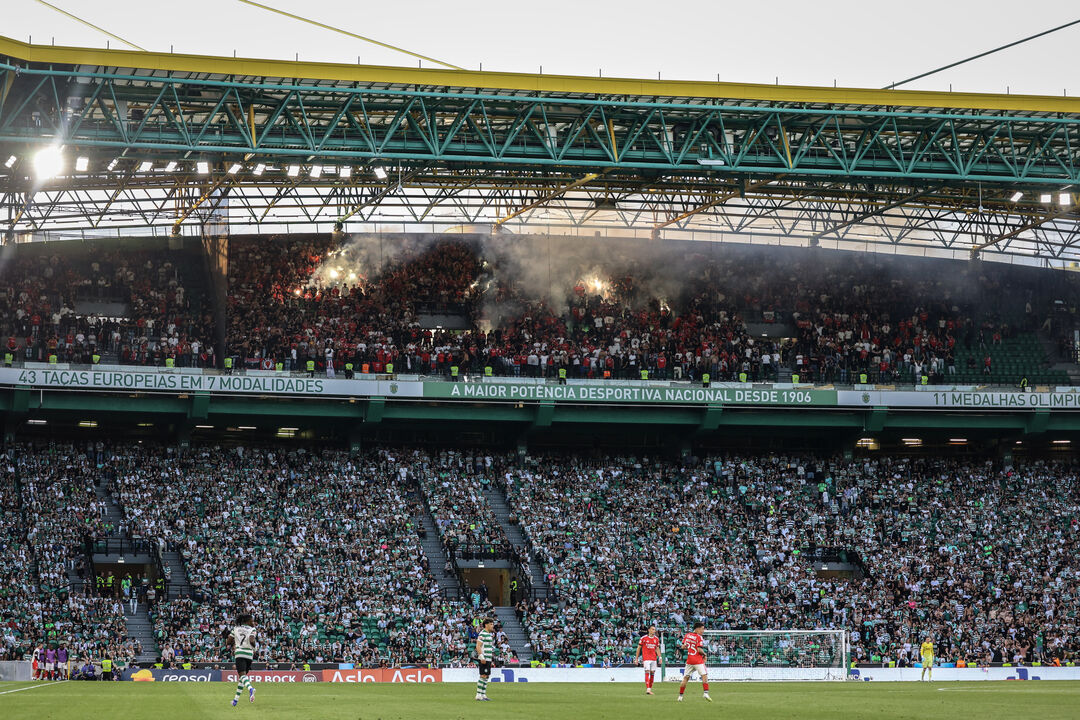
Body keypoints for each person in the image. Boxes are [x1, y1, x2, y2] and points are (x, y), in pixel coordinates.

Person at [227, 613, 258, 706]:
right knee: (242, 677)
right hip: (249, 655)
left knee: (242, 676)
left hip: (240, 653)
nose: (253, 623)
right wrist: (255, 648)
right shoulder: (252, 629)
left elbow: (229, 641)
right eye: (252, 621)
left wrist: (233, 642)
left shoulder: (236, 628)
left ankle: (251, 689)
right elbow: (252, 640)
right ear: (247, 622)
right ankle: (235, 700)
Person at [678, 622, 711, 703]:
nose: (703, 631)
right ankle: (706, 693)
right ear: (697, 628)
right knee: (704, 675)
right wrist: (704, 654)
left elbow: (683, 647)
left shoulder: (687, 635)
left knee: (685, 678)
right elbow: (699, 650)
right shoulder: (699, 637)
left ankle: (680, 696)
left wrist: (688, 647)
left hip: (689, 660)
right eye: (702, 629)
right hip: (698, 660)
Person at [636, 626, 661, 695]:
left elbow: (657, 648)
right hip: (646, 658)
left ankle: (649, 689)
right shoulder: (643, 638)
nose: (654, 631)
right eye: (652, 629)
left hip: (654, 658)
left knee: (652, 673)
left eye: (654, 630)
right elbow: (638, 648)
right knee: (647, 671)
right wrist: (636, 659)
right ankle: (648, 689)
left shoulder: (656, 639)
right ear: (649, 630)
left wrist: (660, 657)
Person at [474, 617, 494, 702]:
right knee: (483, 675)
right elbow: (478, 646)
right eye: (491, 624)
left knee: (487, 676)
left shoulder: (488, 634)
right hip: (484, 658)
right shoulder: (482, 634)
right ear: (486, 625)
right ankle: (478, 695)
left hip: (488, 658)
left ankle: (483, 694)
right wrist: (481, 657)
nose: (492, 626)